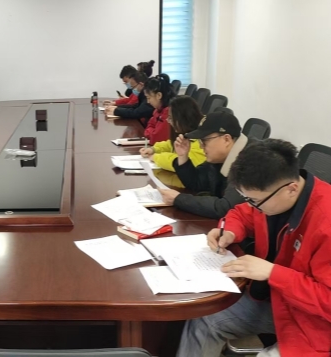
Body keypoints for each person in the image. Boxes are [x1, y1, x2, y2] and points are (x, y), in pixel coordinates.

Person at [177, 139, 331, 357]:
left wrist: (272, 272)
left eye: (255, 200)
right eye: (247, 198)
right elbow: (241, 213)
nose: (252, 206)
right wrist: (228, 231)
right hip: (275, 298)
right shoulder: (271, 198)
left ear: (291, 188)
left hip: (311, 321)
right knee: (205, 317)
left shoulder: (325, 222)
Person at [158, 111, 254, 219]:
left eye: (204, 141)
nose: (201, 146)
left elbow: (226, 208)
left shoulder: (250, 162)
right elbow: (197, 182)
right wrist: (183, 156)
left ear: (226, 139)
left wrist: (179, 199)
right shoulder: (220, 157)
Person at [139, 96, 205, 172]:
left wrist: (156, 157)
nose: (168, 121)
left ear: (183, 118)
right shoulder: (187, 133)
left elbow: (183, 162)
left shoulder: (201, 137)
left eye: (170, 118)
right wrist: (154, 149)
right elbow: (173, 144)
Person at [143, 75, 173, 145]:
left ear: (159, 95)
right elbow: (150, 125)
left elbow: (156, 139)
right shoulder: (158, 110)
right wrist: (152, 130)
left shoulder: (169, 112)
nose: (148, 101)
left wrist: (151, 131)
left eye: (149, 98)